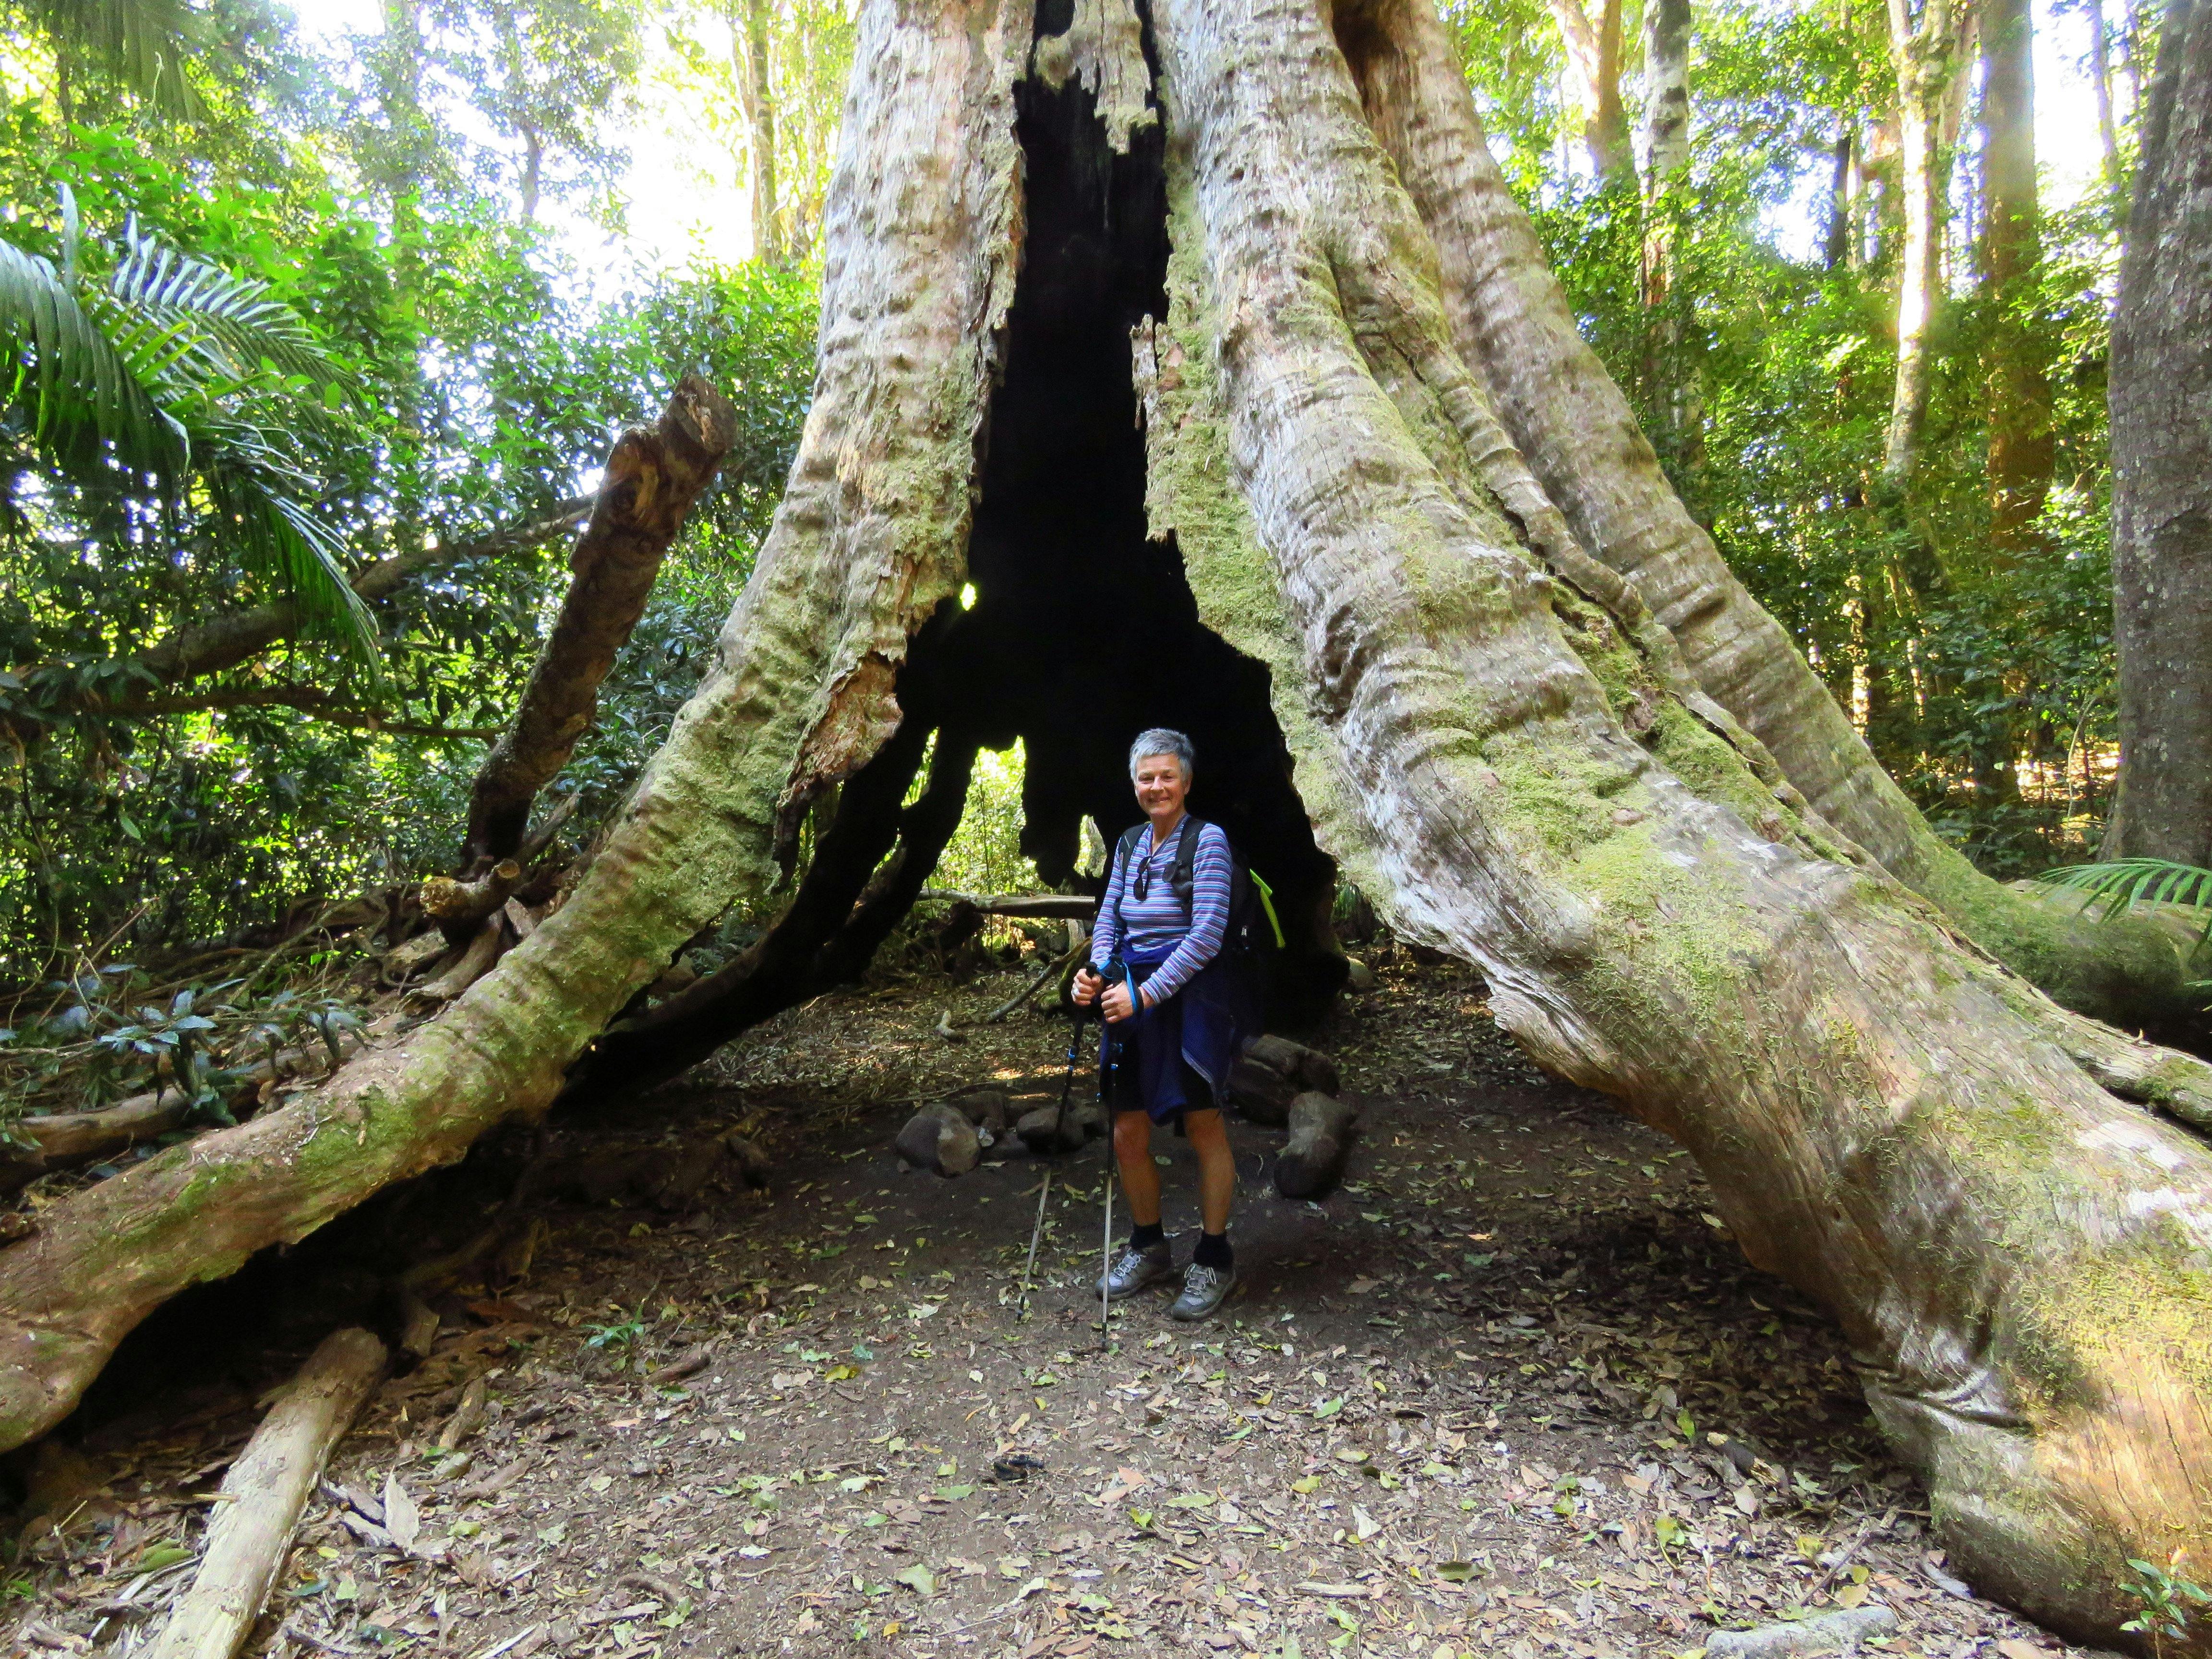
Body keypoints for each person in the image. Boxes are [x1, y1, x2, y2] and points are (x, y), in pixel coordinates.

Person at [1073, 728, 1248, 1322]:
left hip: (1189, 999)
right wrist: (1096, 972)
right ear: (1135, 784)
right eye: (1146, 778)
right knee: (1128, 1129)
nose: (1157, 787)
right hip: (1131, 994)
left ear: (1187, 781)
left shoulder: (1210, 842)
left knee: (1202, 1125)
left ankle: (1214, 1256)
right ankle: (1149, 1247)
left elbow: (1207, 935)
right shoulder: (1127, 844)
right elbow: (1109, 919)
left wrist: (1144, 995)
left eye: (1167, 776)